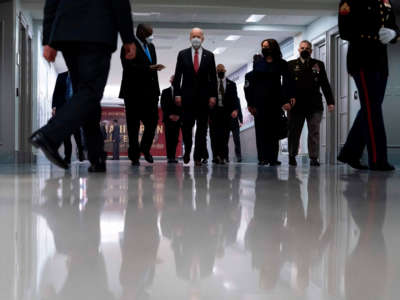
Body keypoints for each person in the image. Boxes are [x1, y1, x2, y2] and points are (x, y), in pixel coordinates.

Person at [29, 0, 136, 172]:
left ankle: (96, 156)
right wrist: (128, 38)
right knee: (90, 92)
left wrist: (48, 40)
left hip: (67, 31)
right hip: (97, 32)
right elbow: (120, 3)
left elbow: (51, 3)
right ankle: (50, 134)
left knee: (85, 96)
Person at [337, 0, 399, 171]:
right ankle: (377, 159)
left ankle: (350, 152)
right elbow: (345, 31)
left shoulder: (385, 2)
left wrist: (393, 34)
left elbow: (393, 25)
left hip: (381, 61)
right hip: (362, 59)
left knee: (371, 107)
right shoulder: (349, 1)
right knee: (372, 109)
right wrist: (375, 33)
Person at [120, 24, 164, 166]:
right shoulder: (128, 46)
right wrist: (148, 68)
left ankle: (144, 148)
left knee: (152, 122)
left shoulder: (151, 47)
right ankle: (134, 156)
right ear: (140, 33)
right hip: (133, 92)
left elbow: (153, 71)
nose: (150, 37)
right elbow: (128, 67)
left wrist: (157, 90)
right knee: (133, 126)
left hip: (150, 93)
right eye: (148, 34)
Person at [173, 27, 218, 166]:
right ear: (190, 38)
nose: (196, 38)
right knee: (187, 128)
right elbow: (177, 76)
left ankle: (198, 156)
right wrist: (177, 94)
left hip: (204, 99)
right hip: (187, 99)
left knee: (202, 129)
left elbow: (213, 78)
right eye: (193, 36)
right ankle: (187, 151)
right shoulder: (182, 54)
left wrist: (213, 96)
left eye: (198, 36)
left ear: (203, 38)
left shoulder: (209, 56)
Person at [247, 39, 295, 166]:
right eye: (263, 46)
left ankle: (273, 158)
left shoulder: (282, 63)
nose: (265, 48)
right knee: (261, 131)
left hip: (275, 101)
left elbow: (287, 82)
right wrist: (250, 103)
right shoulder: (258, 63)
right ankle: (262, 158)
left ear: (273, 47)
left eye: (267, 46)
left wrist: (286, 99)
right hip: (259, 102)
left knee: (274, 131)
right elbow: (252, 83)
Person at [287, 40, 335, 167]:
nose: (304, 50)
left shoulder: (318, 64)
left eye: (307, 48)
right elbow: (286, 85)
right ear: (298, 50)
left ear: (311, 51)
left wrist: (330, 101)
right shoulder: (291, 65)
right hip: (295, 105)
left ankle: (314, 158)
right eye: (302, 48)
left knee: (314, 132)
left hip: (314, 105)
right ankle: (292, 155)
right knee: (294, 132)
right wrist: (286, 100)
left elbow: (325, 83)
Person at [51, 71, 85, 165]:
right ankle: (67, 157)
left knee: (76, 132)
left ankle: (81, 151)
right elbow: (56, 92)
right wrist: (54, 106)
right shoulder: (61, 76)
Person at [210, 64, 240, 164]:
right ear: (216, 72)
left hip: (226, 113)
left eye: (222, 70)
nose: (220, 72)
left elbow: (235, 99)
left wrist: (235, 110)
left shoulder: (231, 84)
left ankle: (222, 156)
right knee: (214, 135)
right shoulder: (211, 83)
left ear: (225, 71)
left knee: (224, 135)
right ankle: (216, 156)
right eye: (218, 70)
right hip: (214, 112)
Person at [244, 54, 263, 164]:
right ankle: (261, 158)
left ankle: (271, 157)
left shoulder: (268, 74)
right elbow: (247, 92)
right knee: (260, 133)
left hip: (269, 107)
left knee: (270, 133)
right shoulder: (249, 75)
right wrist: (250, 105)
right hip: (257, 108)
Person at [161, 75, 182, 163]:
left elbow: (184, 106)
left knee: (175, 138)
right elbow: (163, 105)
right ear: (170, 81)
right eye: (173, 79)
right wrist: (169, 115)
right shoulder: (165, 91)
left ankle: (173, 156)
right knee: (169, 138)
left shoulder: (182, 92)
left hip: (178, 120)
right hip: (168, 119)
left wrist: (178, 116)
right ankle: (169, 157)